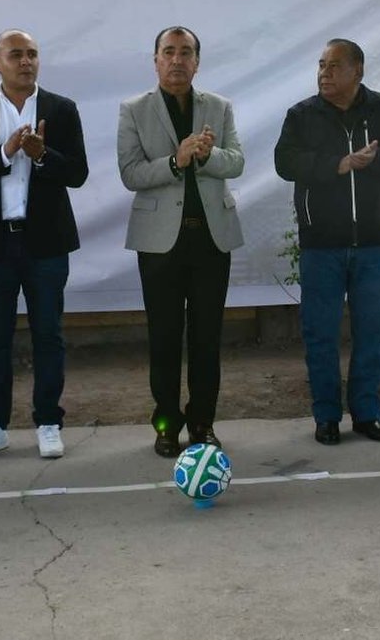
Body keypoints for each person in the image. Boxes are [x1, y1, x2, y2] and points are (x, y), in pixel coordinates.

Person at [0, 29, 88, 461]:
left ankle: (48, 421)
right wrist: (4, 154)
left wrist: (43, 155)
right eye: (15, 54)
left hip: (46, 243)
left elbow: (77, 173)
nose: (25, 62)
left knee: (49, 335)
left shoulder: (62, 109)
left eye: (32, 54)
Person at [275, 38, 380, 445]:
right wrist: (337, 164)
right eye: (321, 65)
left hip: (373, 243)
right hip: (320, 245)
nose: (324, 73)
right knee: (320, 334)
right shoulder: (302, 115)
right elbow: (284, 162)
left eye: (334, 66)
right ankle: (326, 417)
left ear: (358, 71)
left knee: (371, 334)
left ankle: (367, 414)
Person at [117, 25, 245, 457]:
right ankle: (167, 424)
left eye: (185, 52)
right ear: (155, 60)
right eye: (168, 52)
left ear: (197, 61)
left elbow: (237, 162)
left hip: (211, 240)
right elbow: (131, 173)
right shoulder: (134, 109)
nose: (177, 60)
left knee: (208, 338)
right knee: (165, 337)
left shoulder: (219, 107)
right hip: (158, 244)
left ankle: (203, 423)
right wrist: (176, 161)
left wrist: (207, 156)